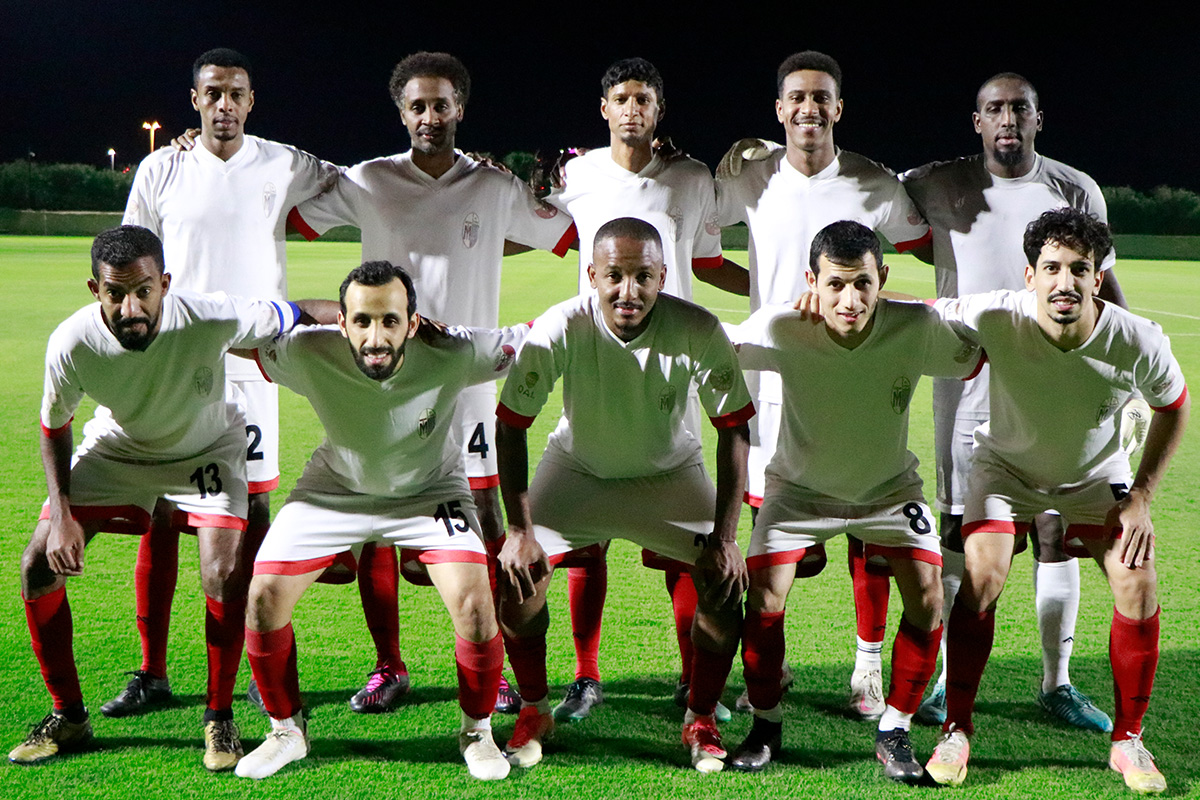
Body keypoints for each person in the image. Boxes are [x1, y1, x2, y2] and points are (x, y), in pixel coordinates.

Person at [289, 51, 577, 713]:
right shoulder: (368, 180)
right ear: (401, 113)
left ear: (460, 109)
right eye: (417, 106)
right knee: (375, 525)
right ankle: (388, 667)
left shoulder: (494, 186)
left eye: (441, 104)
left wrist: (564, 182)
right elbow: (291, 217)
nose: (429, 116)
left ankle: (493, 666)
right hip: (382, 376)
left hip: (466, 378)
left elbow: (570, 233)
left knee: (486, 518)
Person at [8, 225, 328, 770]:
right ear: (95, 289)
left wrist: (361, 318)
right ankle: (69, 716)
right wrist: (60, 514)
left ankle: (219, 716)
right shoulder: (72, 341)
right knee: (36, 564)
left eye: (144, 291)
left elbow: (296, 312)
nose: (131, 307)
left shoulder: (210, 315)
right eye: (115, 293)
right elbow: (54, 426)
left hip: (206, 448)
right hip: (120, 448)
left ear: (165, 284)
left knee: (223, 572)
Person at [923, 209, 1188, 795]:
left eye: (1078, 269)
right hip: (1005, 469)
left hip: (1095, 476)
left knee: (1138, 582)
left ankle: (1128, 740)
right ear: (1030, 275)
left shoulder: (1137, 338)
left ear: (1097, 277)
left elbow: (1173, 407)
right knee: (982, 575)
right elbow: (922, 313)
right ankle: (956, 730)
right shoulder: (996, 313)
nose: (1064, 282)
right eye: (1052, 268)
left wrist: (1142, 495)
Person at [231, 261, 525, 780]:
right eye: (362, 321)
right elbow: (228, 334)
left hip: (430, 491)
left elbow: (536, 339)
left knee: (476, 603)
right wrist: (295, 311)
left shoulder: (455, 351)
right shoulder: (307, 352)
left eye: (390, 321)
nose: (375, 338)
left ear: (413, 324)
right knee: (263, 597)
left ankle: (477, 733)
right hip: (334, 491)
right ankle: (286, 732)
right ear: (340, 323)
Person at [115, 47, 340, 719]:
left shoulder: (283, 162)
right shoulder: (161, 168)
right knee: (163, 513)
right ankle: (152, 671)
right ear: (194, 101)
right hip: (177, 365)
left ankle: (254, 666)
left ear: (250, 100)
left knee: (253, 515)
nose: (224, 105)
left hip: (254, 364)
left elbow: (356, 184)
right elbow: (133, 263)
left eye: (236, 94)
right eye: (212, 93)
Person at [901, 72, 1128, 731]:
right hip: (967, 386)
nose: (1007, 119)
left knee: (1056, 531)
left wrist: (1124, 363)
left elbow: (1104, 284)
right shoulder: (937, 183)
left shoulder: (1075, 188)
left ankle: (1057, 683)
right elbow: (854, 179)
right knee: (959, 531)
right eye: (995, 109)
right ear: (977, 121)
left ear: (1037, 118)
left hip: (1057, 387)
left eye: (1019, 109)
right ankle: (946, 683)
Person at [719, 220, 981, 781]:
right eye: (834, 284)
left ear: (882, 277)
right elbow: (721, 348)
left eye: (863, 283)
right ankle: (765, 726)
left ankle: (895, 729)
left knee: (929, 596)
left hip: (889, 490)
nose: (850, 300)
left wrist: (918, 305)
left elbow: (975, 356)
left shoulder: (916, 326)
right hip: (798, 492)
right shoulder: (783, 327)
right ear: (811, 281)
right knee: (763, 600)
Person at [715, 50, 932, 718]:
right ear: (779, 109)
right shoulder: (749, 179)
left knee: (869, 537)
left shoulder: (874, 183)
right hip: (772, 377)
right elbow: (698, 244)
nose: (809, 108)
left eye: (821, 97)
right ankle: (765, 672)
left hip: (856, 373)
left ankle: (868, 669)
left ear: (839, 107)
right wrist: (762, 297)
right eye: (797, 97)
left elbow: (926, 244)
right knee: (774, 542)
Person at [494, 218, 753, 773]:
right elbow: (510, 423)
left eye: (643, 277)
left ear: (663, 277)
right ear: (592, 275)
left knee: (724, 581)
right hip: (578, 471)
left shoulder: (696, 327)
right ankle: (535, 710)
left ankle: (701, 717)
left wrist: (727, 538)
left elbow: (734, 428)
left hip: (668, 474)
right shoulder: (561, 325)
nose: (627, 291)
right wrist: (518, 531)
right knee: (517, 578)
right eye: (614, 276)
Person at [541, 56, 750, 722]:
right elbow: (541, 232)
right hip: (595, 355)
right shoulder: (577, 176)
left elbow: (708, 261)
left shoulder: (689, 177)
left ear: (660, 111)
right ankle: (585, 676)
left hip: (673, 362)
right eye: (622, 98)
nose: (633, 109)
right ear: (604, 108)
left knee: (682, 542)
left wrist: (774, 288)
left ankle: (692, 679)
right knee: (585, 540)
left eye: (645, 100)